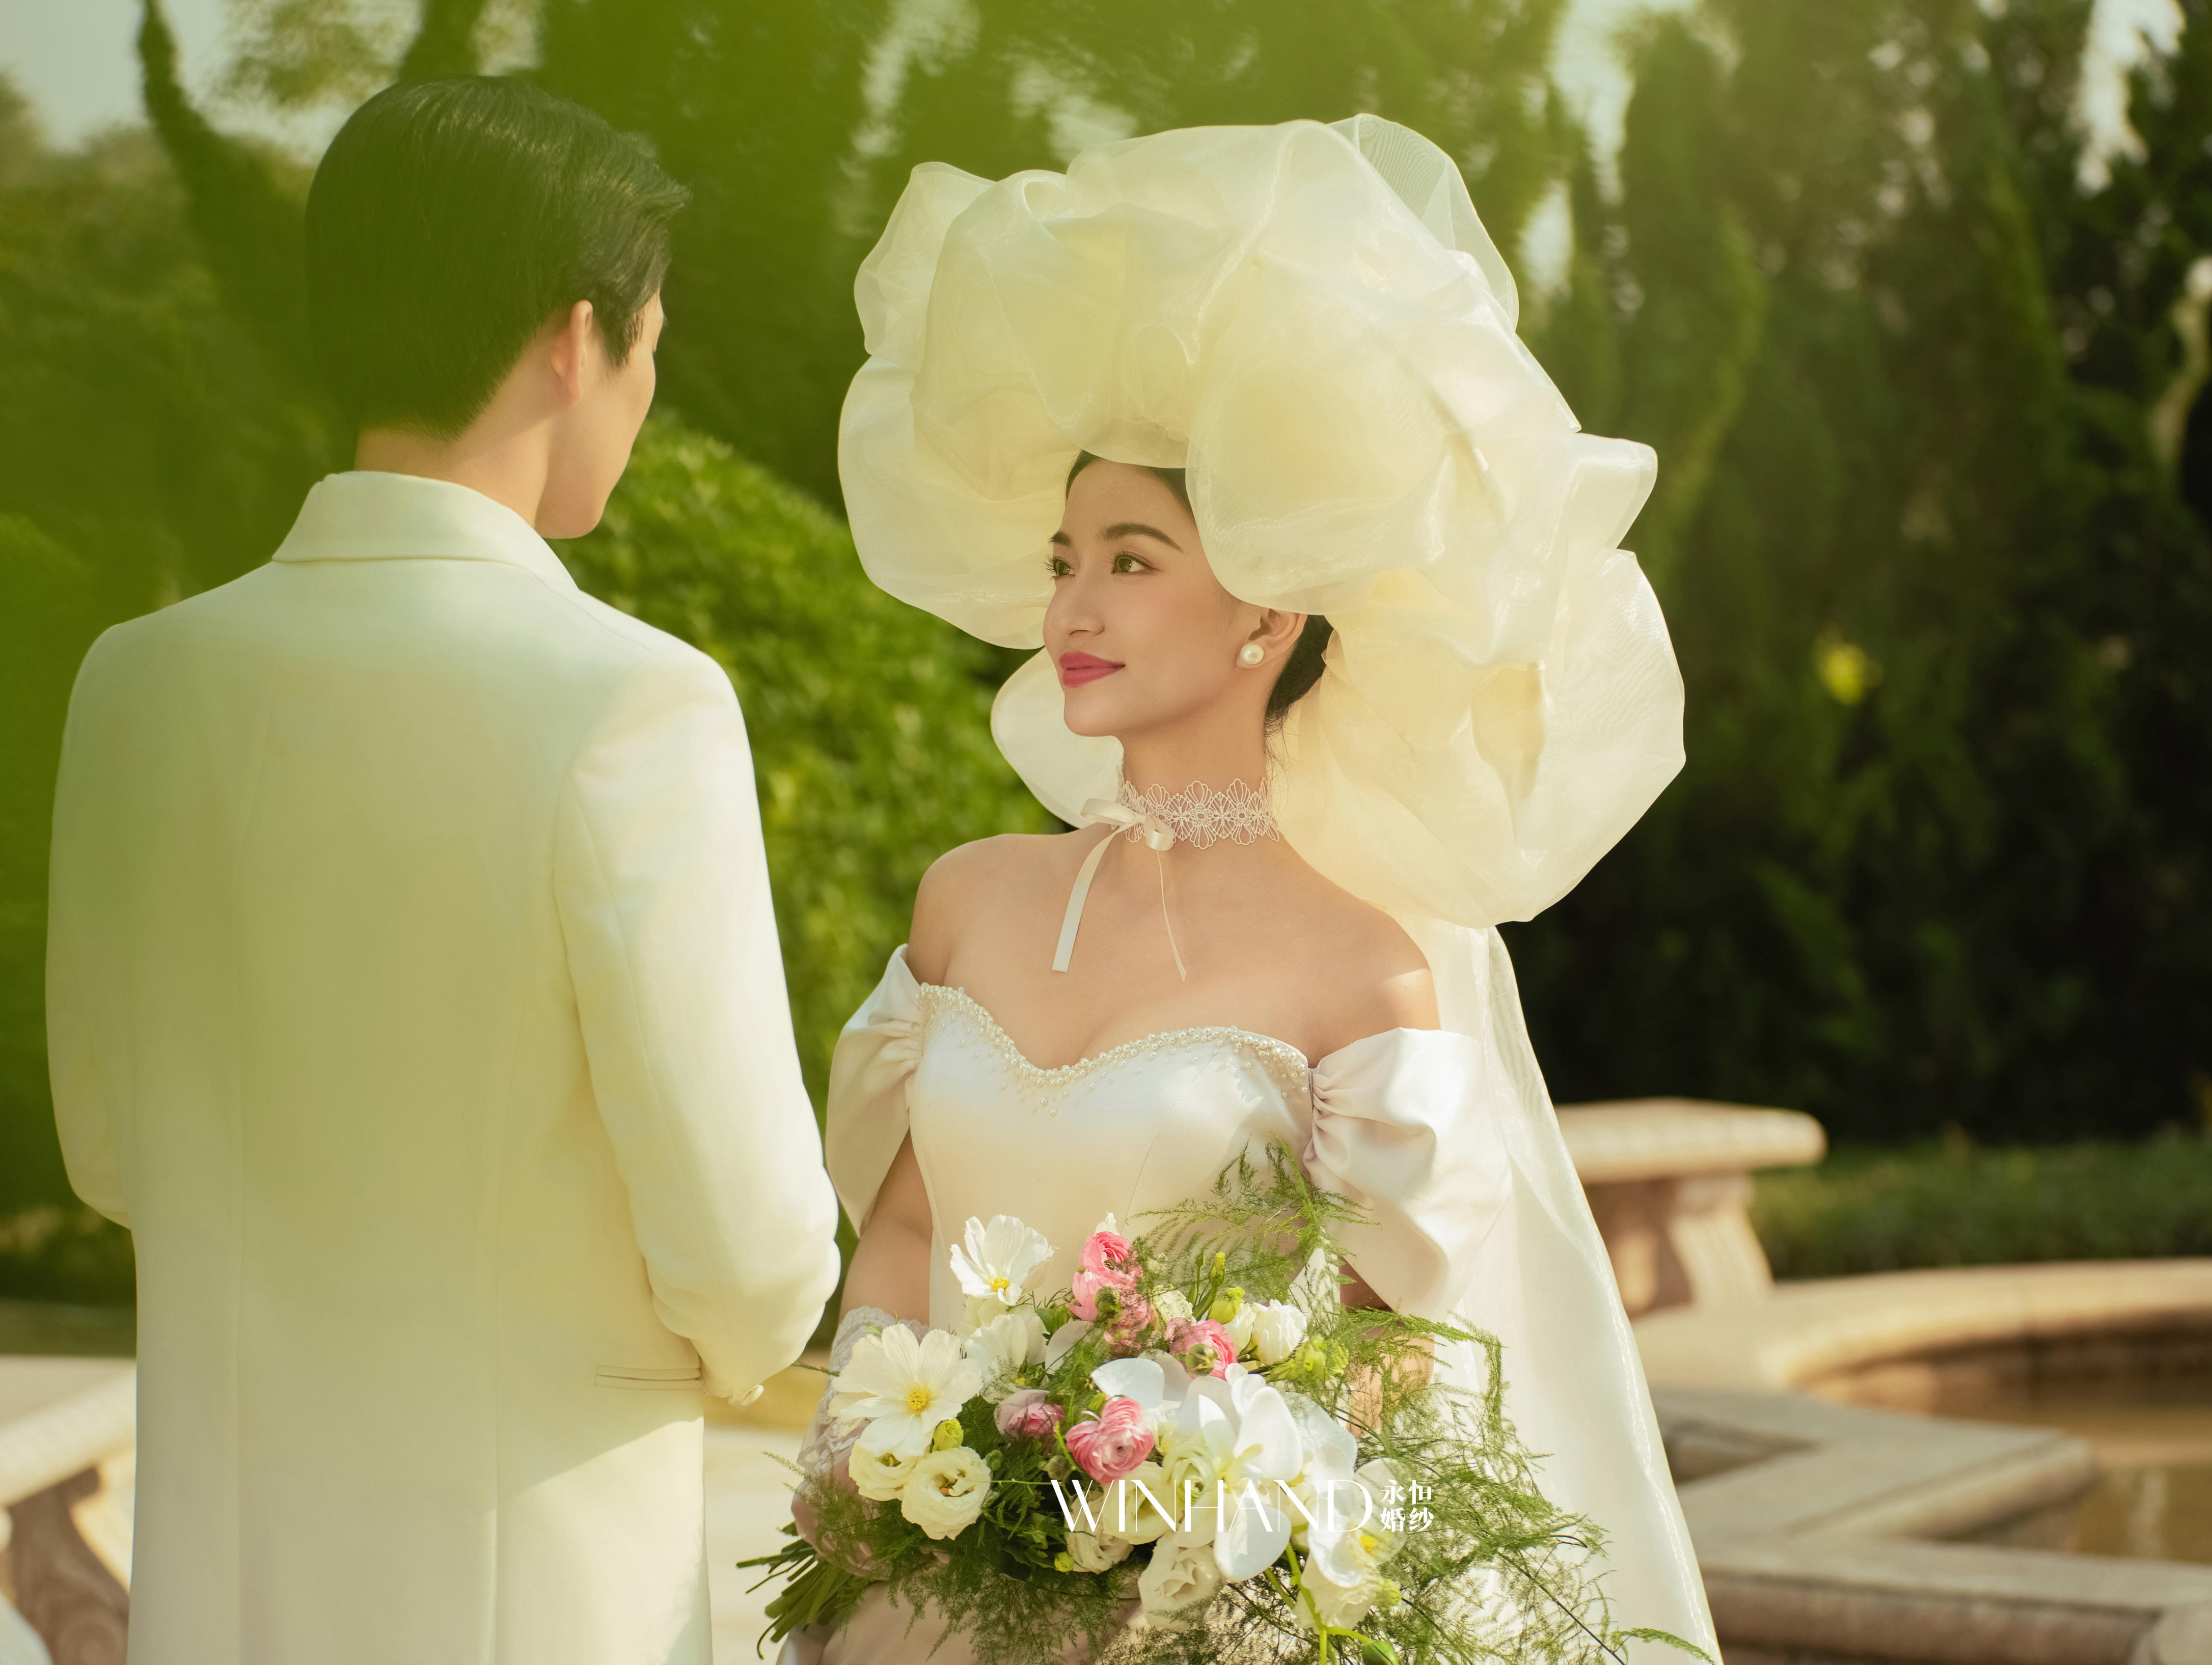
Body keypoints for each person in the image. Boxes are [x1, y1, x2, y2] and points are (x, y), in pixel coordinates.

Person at [780, 117, 1718, 1662]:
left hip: (1188, 1614)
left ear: (1265, 612)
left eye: (1132, 559)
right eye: (1065, 554)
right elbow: (897, 1240)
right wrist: (862, 1482)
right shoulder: (967, 901)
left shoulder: (1367, 974)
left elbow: (1392, 1358)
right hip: (921, 1597)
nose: (1071, 602)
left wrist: (1120, 1503)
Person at [45, 76, 841, 1665]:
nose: (638, 401)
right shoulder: (628, 699)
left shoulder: (134, 682)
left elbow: (109, 1158)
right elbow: (752, 1262)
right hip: (538, 1584)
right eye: (648, 355)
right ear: (574, 337)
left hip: (228, 1574)